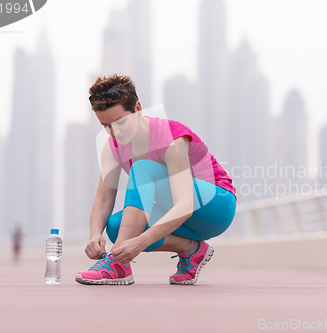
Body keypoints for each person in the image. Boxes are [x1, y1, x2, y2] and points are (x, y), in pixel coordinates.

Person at [75, 73, 237, 285]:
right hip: (182, 218)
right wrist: (95, 235)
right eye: (106, 126)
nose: (115, 132)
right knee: (116, 227)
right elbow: (104, 199)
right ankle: (193, 250)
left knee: (142, 168)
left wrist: (140, 243)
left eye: (120, 121)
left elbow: (185, 205)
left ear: (138, 108)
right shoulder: (111, 148)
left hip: (216, 206)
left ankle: (118, 266)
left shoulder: (170, 136)